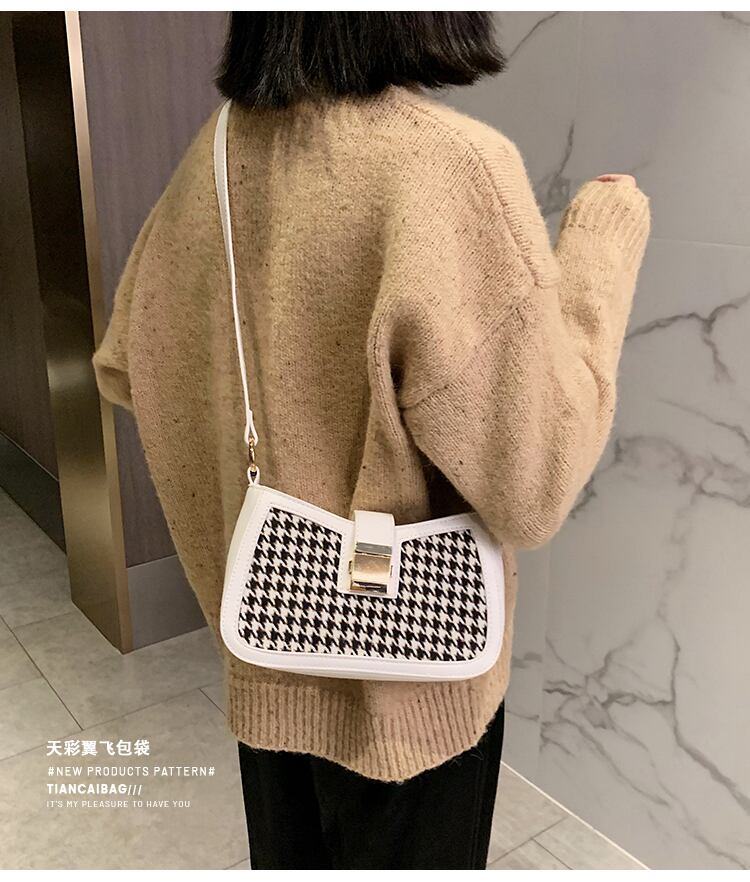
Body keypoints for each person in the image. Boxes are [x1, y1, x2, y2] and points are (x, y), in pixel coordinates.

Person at [92, 11, 651, 870]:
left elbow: (129, 366)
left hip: (267, 644)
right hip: (412, 692)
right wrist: (598, 254)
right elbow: (533, 484)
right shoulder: (446, 168)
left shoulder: (216, 153)